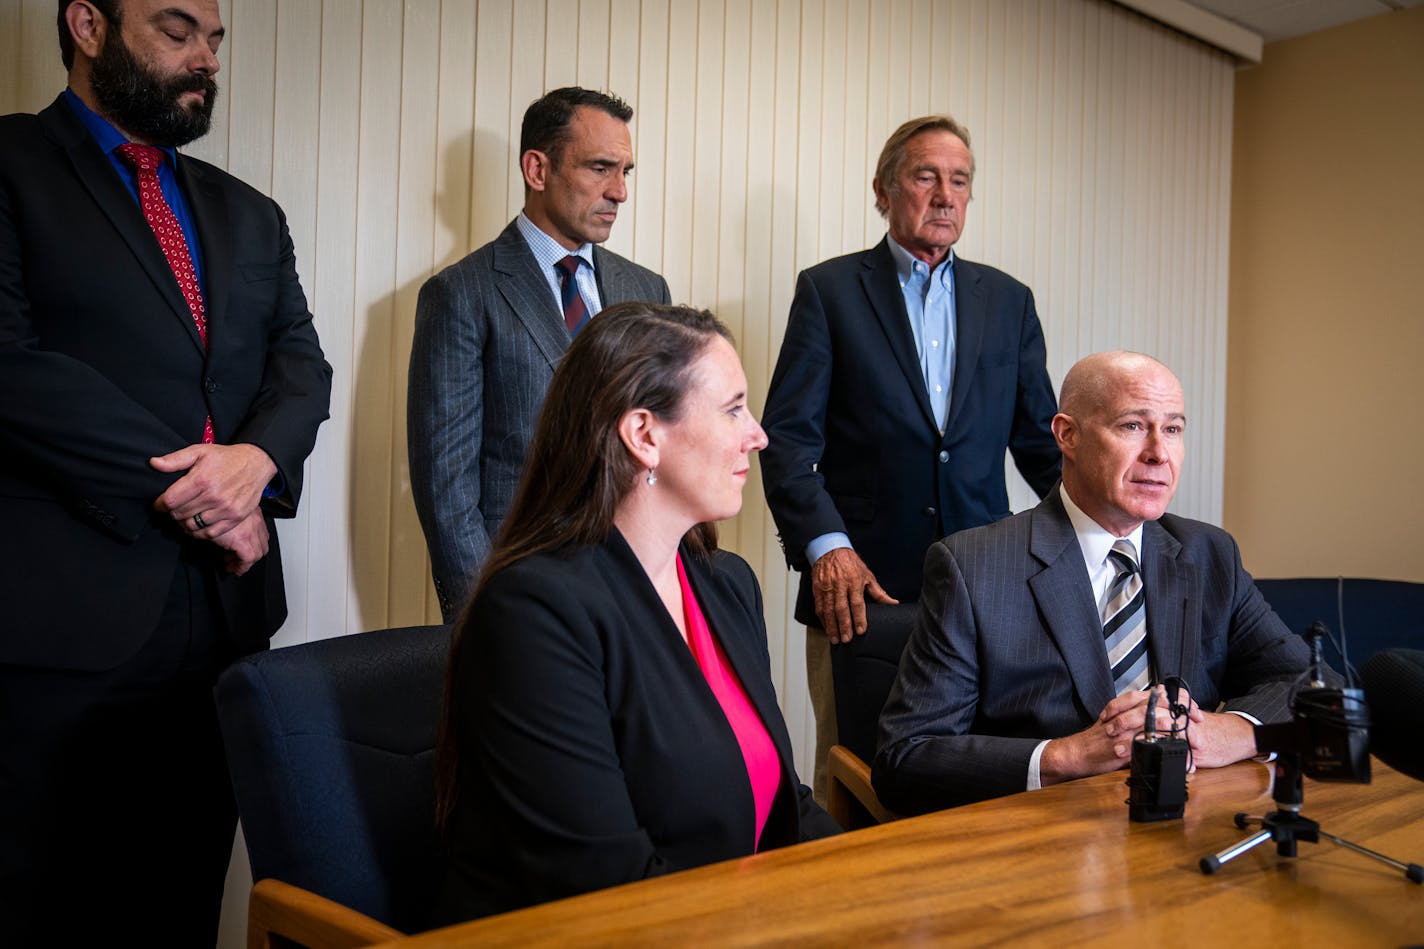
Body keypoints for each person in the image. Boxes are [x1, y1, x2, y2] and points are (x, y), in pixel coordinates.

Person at [0, 0, 332, 942]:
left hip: (227, 620)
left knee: (183, 899)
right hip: (59, 628)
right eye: (178, 31)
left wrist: (257, 462)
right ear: (88, 25)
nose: (206, 60)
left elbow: (301, 368)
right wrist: (202, 489)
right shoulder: (10, 166)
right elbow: (12, 367)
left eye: (216, 40)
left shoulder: (249, 212)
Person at [432, 303, 839, 924]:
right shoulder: (533, 613)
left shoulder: (725, 584)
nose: (757, 434)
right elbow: (607, 889)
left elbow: (783, 805)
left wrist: (886, 885)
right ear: (644, 435)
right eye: (733, 409)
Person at [760, 114, 1061, 801]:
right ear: (884, 189)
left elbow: (1041, 444)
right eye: (926, 176)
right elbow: (788, 440)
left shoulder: (1009, 302)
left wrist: (1100, 531)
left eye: (960, 180)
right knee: (855, 775)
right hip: (862, 589)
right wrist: (827, 548)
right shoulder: (830, 291)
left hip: (987, 585)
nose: (945, 195)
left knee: (975, 768)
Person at [873, 351, 1315, 814]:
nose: (1158, 454)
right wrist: (1071, 755)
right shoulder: (972, 566)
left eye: (1173, 429)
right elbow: (906, 757)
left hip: (1188, 829)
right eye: (1132, 426)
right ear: (1067, 435)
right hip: (1041, 840)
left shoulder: (1209, 554)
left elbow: (1306, 682)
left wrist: (1235, 731)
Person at [409, 86, 671, 623]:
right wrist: (486, 615)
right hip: (522, 595)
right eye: (601, 168)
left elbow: (658, 448)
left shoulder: (648, 291)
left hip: (637, 591)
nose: (619, 191)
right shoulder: (462, 293)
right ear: (537, 169)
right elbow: (447, 488)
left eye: (626, 171)